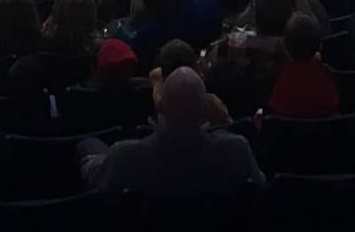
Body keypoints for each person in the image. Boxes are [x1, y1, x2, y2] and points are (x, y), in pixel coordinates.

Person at [83, 65, 265, 196]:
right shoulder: (236, 150)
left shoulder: (125, 156)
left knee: (88, 144)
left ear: (160, 108)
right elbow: (261, 187)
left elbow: (97, 180)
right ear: (205, 111)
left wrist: (95, 162)